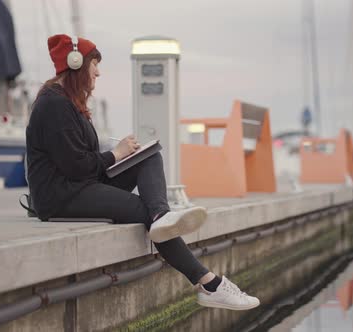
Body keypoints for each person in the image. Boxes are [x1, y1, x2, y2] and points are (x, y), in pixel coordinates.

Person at [25, 34, 259, 310]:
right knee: (141, 208)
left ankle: (162, 215)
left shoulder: (67, 102)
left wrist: (124, 154)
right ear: (76, 64)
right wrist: (116, 154)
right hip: (61, 196)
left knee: (149, 157)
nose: (98, 72)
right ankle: (209, 284)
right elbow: (75, 166)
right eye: (94, 65)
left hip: (79, 184)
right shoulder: (54, 104)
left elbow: (81, 162)